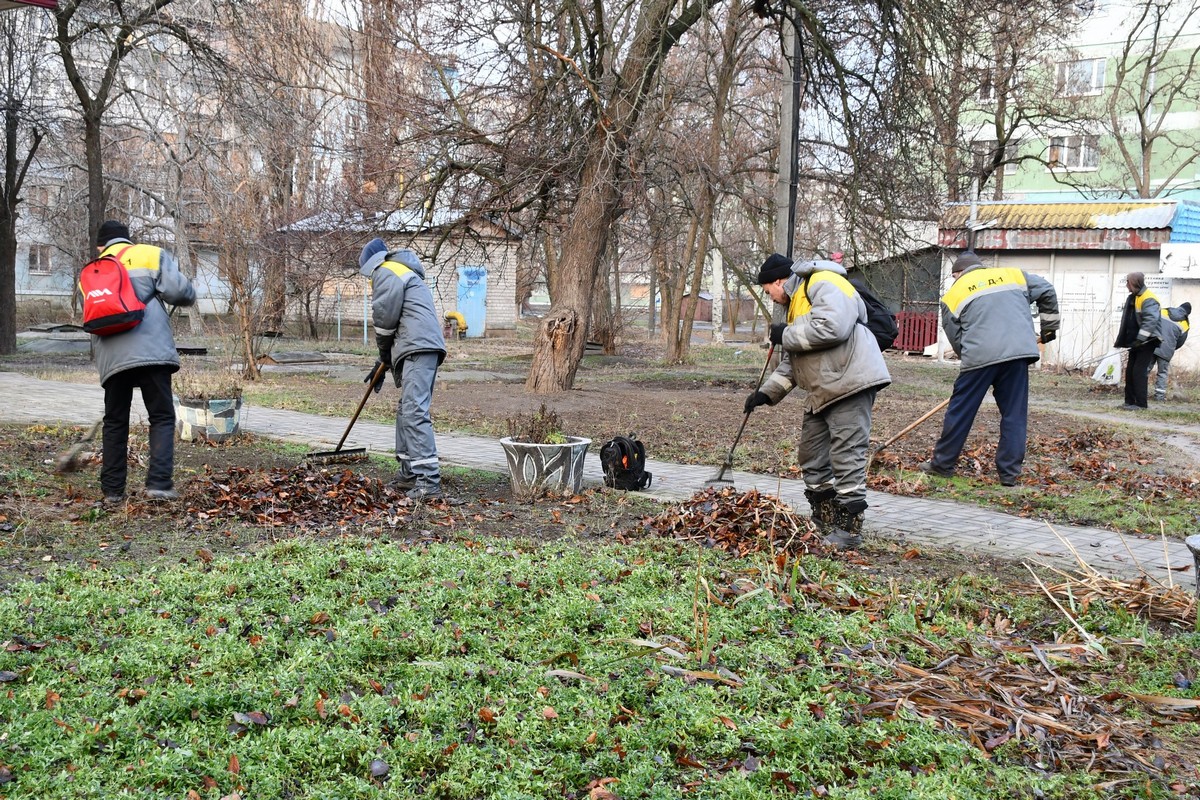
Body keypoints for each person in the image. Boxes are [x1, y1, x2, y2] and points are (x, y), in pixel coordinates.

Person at [743, 253, 891, 550]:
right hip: (823, 389)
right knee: (811, 457)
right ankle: (825, 520)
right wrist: (766, 393)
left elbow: (832, 328)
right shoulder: (796, 303)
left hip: (849, 382)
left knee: (846, 456)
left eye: (767, 290)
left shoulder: (823, 281)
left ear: (779, 281)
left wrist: (786, 334)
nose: (770, 297)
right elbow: (794, 362)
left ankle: (849, 530)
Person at [919, 251, 1059, 487]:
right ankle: (1009, 474)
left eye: (954, 277)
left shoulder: (953, 295)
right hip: (1018, 354)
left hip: (979, 359)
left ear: (958, 274)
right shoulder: (1013, 276)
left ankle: (942, 464)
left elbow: (955, 336)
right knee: (1014, 414)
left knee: (960, 411)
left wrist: (972, 359)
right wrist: (1049, 328)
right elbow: (1047, 290)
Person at [89, 220, 196, 503]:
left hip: (112, 356)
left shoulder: (91, 270)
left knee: (114, 421)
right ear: (128, 240)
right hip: (151, 350)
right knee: (161, 415)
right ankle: (159, 485)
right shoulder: (149, 254)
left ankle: (112, 492)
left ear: (101, 246)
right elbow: (180, 293)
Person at [359, 239, 447, 500]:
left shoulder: (386, 270)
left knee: (414, 411)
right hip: (419, 345)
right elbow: (402, 317)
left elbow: (385, 318)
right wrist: (382, 362)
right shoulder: (403, 270)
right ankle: (410, 473)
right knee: (406, 410)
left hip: (418, 347)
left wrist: (384, 354)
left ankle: (429, 481)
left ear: (370, 265)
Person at [1113, 272, 1162, 410]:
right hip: (1136, 342)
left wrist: (1140, 339)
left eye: (1127, 282)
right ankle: (1129, 402)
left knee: (1138, 372)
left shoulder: (1148, 298)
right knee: (1130, 371)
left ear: (1134, 283)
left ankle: (1141, 404)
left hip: (1147, 342)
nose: (1126, 285)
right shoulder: (1134, 297)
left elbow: (1150, 321)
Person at [1153, 302, 1191, 401]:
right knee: (1162, 373)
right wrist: (1171, 347)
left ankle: (1139, 393)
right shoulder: (1185, 324)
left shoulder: (1165, 311)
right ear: (1187, 313)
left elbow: (1152, 322)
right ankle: (1159, 397)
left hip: (1152, 345)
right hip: (1167, 350)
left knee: (1145, 369)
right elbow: (1180, 342)